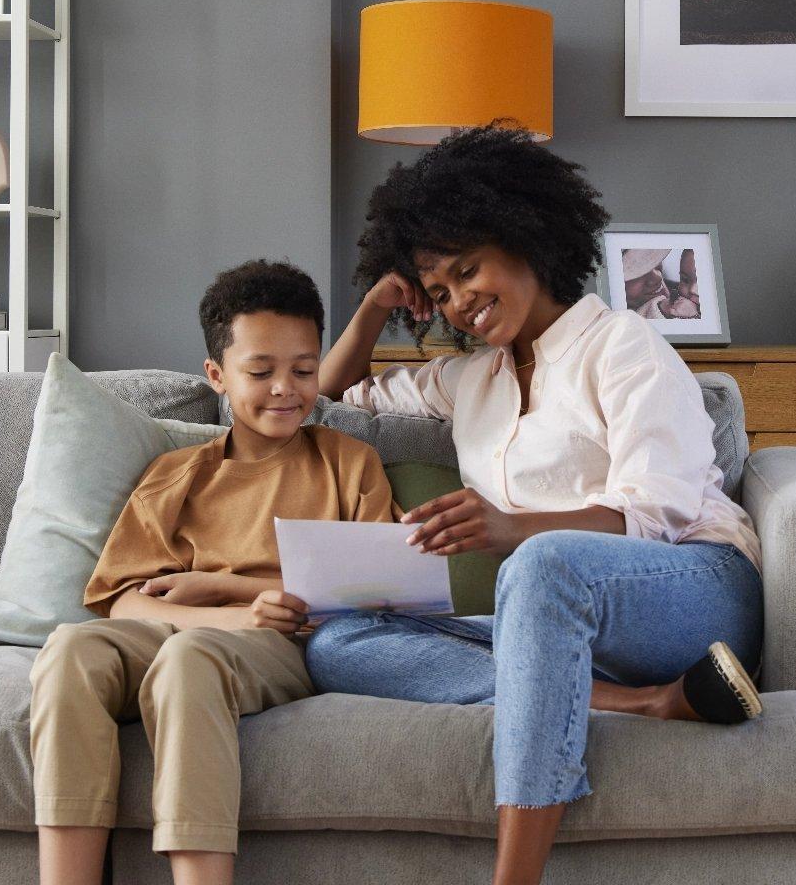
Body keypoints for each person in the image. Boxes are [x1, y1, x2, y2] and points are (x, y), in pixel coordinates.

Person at [310, 123, 764, 885]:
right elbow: (330, 397)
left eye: (469, 268)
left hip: (692, 586)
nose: (460, 302)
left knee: (545, 562)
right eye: (441, 289)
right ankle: (646, 704)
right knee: (338, 640)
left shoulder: (623, 344)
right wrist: (374, 309)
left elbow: (661, 512)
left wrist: (514, 529)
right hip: (558, 622)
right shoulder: (473, 382)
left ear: (527, 236)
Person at [27, 260, 398, 885]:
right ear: (217, 377)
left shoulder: (348, 463)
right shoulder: (178, 474)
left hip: (286, 641)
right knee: (70, 649)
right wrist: (222, 614)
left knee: (191, 658)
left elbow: (382, 590)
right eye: (261, 371)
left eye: (304, 370)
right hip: (191, 631)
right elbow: (122, 603)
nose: (286, 388)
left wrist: (242, 596)